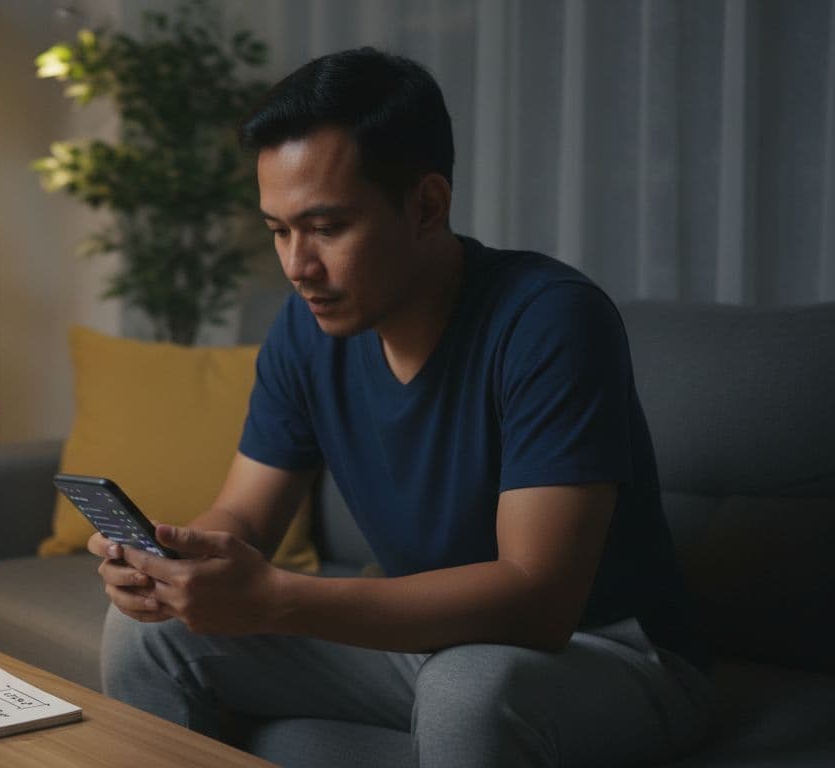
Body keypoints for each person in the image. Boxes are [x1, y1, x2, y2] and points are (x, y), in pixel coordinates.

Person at [90, 47, 711, 767]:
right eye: (279, 231)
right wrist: (176, 567)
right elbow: (245, 516)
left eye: (326, 228)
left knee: (468, 688)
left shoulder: (550, 320)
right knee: (146, 635)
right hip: (433, 645)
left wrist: (277, 597)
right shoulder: (305, 331)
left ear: (427, 206)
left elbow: (537, 598)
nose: (297, 267)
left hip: (605, 655)